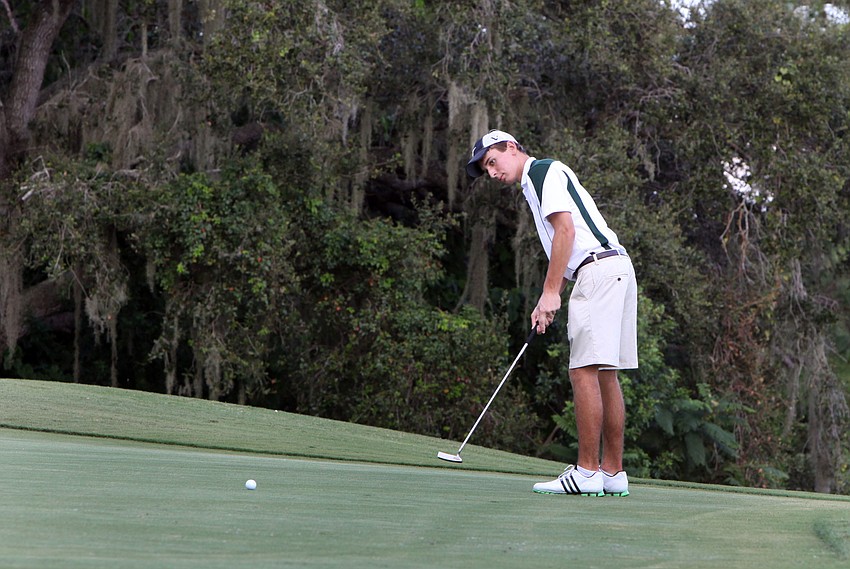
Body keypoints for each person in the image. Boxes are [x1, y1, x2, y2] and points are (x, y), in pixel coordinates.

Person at [466, 130, 638, 497]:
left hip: (597, 271)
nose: (492, 173)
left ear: (511, 147)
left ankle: (587, 472)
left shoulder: (541, 171)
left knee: (583, 371)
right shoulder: (538, 181)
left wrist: (549, 293)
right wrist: (552, 295)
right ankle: (612, 473)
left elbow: (565, 232)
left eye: (493, 162)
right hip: (616, 267)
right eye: (486, 169)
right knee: (605, 374)